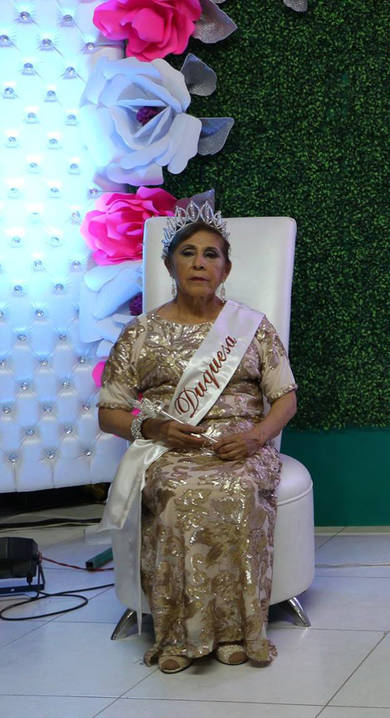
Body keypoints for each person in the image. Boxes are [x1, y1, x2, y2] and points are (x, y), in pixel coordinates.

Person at [95, 203, 298, 674]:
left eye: (211, 254)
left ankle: (238, 632)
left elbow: (285, 399)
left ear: (226, 269)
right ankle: (178, 636)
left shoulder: (252, 327)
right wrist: (153, 428)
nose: (200, 263)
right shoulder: (140, 333)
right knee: (177, 491)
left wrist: (256, 438)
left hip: (243, 446)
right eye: (188, 253)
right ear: (170, 266)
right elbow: (109, 413)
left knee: (239, 489)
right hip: (169, 447)